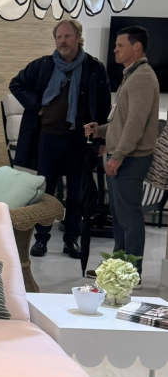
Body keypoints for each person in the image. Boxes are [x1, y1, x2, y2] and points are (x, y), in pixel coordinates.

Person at [9, 20, 110, 259]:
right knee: (45, 191)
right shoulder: (43, 65)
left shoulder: (94, 67)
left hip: (79, 140)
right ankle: (41, 239)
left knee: (76, 193)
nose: (63, 41)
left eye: (67, 36)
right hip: (48, 138)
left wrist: (103, 137)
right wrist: (38, 107)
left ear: (78, 38)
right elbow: (16, 84)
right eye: (59, 37)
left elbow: (103, 103)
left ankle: (71, 239)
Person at [84, 26, 159, 267]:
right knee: (119, 216)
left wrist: (118, 156)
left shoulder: (142, 77)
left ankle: (131, 272)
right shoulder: (132, 74)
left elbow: (135, 125)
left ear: (136, 47)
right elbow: (122, 120)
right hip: (123, 155)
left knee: (128, 217)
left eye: (120, 45)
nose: (114, 50)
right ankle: (117, 268)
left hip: (130, 158)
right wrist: (100, 130)